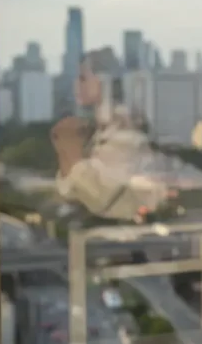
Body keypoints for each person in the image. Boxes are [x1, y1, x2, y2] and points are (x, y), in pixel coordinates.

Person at [51, 50, 169, 223]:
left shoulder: (125, 127)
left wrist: (71, 152)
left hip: (134, 228)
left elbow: (105, 198)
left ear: (103, 80)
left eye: (83, 78)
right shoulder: (97, 128)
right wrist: (65, 154)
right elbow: (70, 192)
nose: (77, 85)